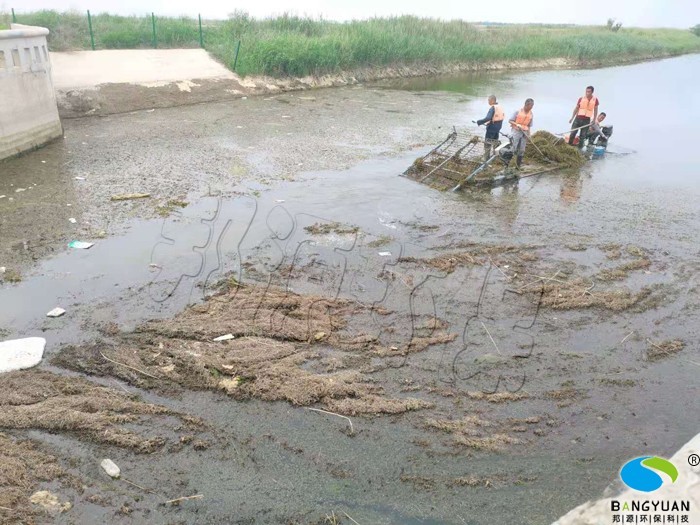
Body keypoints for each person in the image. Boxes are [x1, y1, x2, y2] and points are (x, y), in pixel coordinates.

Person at [507, 98, 534, 170]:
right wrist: (517, 124)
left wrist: (529, 136)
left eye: (532, 107)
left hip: (524, 133)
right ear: (526, 105)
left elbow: (529, 126)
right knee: (513, 147)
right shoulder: (517, 111)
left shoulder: (531, 114)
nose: (531, 108)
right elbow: (510, 121)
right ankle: (506, 165)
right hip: (516, 131)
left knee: (522, 150)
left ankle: (517, 167)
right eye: (530, 107)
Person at [476, 95, 505, 162]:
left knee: (487, 143)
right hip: (498, 127)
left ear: (492, 100)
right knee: (495, 142)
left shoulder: (493, 108)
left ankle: (486, 159)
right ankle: (495, 157)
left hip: (491, 128)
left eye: (488, 100)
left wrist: (479, 122)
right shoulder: (500, 107)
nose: (488, 102)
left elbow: (488, 118)